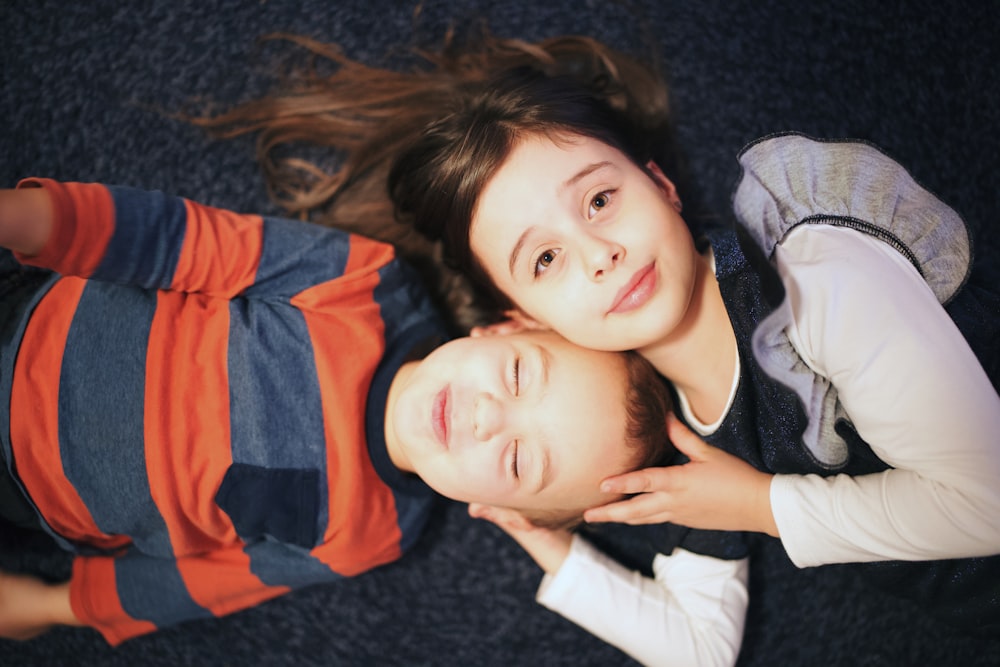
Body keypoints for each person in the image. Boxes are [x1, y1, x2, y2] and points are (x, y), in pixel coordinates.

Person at [208, 35, 1000, 635]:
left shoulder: (816, 275)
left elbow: (988, 503)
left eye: (598, 201)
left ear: (657, 183)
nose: (599, 254)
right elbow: (698, 645)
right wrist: (542, 534)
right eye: (545, 259)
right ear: (523, 314)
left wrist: (763, 505)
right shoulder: (664, 440)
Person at [0, 178, 749, 666]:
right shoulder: (363, 282)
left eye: (521, 460)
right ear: (500, 330)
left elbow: (214, 581)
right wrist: (40, 219)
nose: (490, 416)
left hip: (33, 496)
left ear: (497, 511)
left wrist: (55, 604)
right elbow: (188, 243)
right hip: (33, 329)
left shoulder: (374, 531)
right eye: (520, 376)